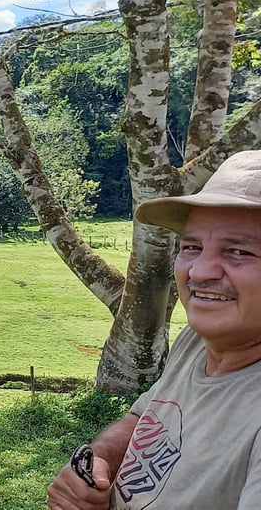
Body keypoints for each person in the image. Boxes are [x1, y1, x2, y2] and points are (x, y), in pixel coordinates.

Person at [46, 149, 261, 509]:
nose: (199, 271)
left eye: (239, 251)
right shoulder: (195, 343)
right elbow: (143, 417)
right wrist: (100, 460)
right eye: (191, 246)